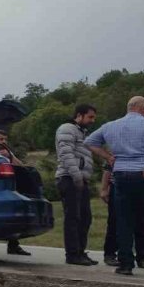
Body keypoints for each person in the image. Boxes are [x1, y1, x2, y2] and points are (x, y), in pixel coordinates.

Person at [85, 96, 144, 275]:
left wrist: (108, 156)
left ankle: (125, 264)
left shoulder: (110, 126)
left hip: (121, 175)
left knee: (124, 221)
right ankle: (141, 256)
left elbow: (90, 142)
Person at [55, 103, 98, 266]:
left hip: (79, 179)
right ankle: (72, 254)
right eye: (90, 117)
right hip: (69, 178)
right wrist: (76, 176)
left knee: (85, 217)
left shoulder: (81, 132)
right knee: (73, 218)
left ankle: (80, 252)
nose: (92, 120)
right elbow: (66, 153)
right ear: (79, 115)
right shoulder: (67, 129)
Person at [99, 161, 144, 267]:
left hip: (142, 186)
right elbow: (108, 167)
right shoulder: (119, 146)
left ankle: (142, 257)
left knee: (141, 222)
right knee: (115, 221)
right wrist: (104, 188)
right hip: (119, 184)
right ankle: (110, 254)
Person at [0, 130, 31, 256]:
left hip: (10, 187)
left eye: (5, 139)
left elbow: (21, 167)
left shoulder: (7, 152)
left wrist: (10, 156)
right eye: (1, 139)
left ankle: (13, 245)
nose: (4, 142)